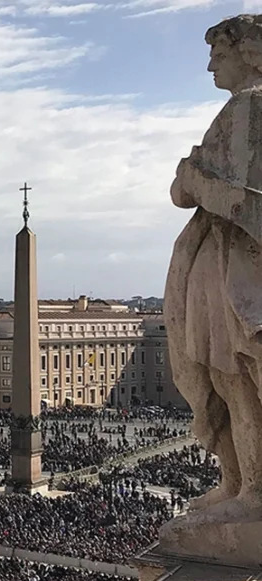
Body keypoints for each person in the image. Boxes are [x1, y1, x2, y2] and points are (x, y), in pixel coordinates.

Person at [166, 14, 262, 522]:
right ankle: (241, 483)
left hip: (234, 268)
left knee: (237, 380)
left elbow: (189, 190)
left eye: (217, 55)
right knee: (230, 381)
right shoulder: (239, 112)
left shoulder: (247, 109)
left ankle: (250, 488)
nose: (208, 65)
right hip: (221, 266)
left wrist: (193, 177)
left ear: (246, 54)